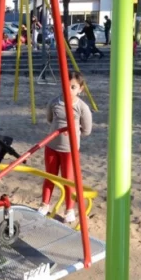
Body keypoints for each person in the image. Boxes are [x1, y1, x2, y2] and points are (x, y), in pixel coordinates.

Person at [37, 71, 93, 223]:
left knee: (68, 180)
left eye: (73, 87)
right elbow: (50, 119)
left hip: (70, 150)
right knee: (50, 176)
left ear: (80, 89)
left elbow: (87, 130)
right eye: (66, 86)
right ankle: (44, 204)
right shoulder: (55, 102)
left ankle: (69, 209)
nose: (69, 89)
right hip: (52, 146)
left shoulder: (81, 107)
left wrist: (74, 132)